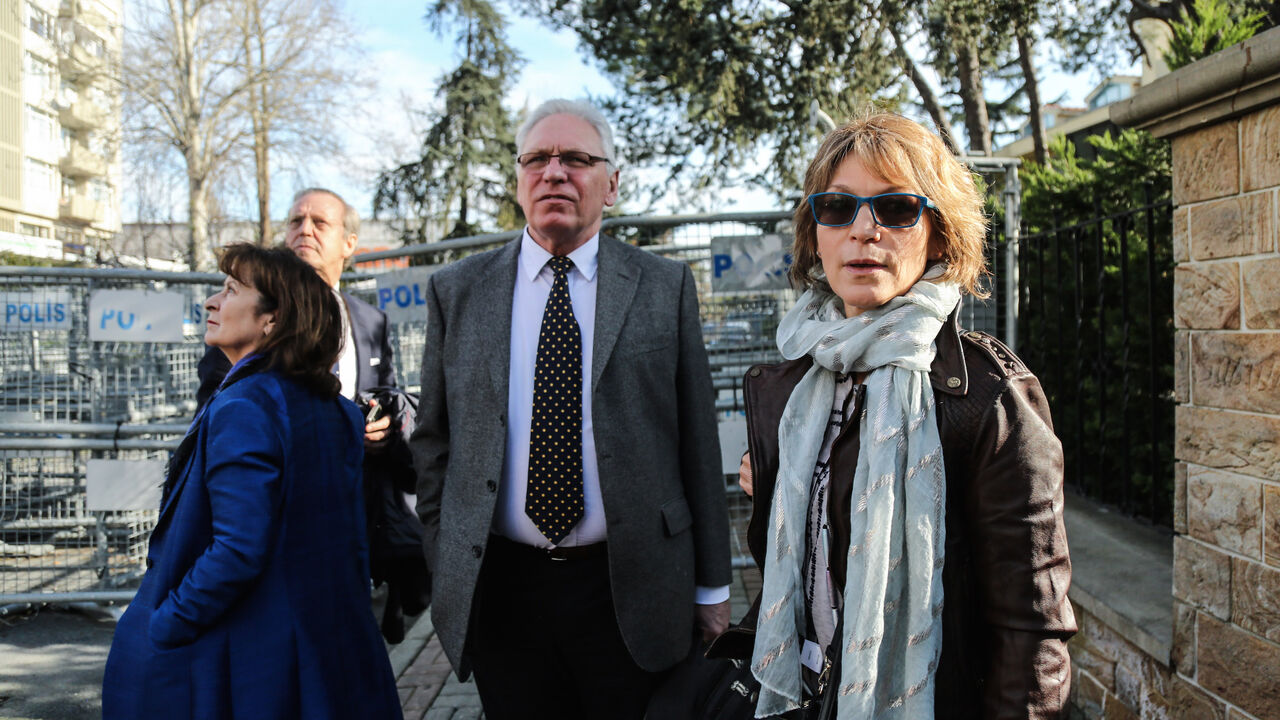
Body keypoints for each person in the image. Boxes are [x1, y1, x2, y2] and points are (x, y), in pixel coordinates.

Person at [732, 113, 1076, 718]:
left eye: (894, 209)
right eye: (837, 207)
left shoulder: (988, 397)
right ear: (816, 234)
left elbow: (1032, 627)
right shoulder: (794, 383)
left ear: (940, 236)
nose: (863, 230)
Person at [411, 98, 732, 720]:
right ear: (518, 181)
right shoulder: (457, 290)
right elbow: (434, 443)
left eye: (577, 159)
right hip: (503, 590)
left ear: (611, 184)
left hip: (631, 588)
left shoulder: (664, 287)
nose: (554, 172)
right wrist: (445, 557)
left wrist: (713, 588)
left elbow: (697, 443)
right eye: (537, 159)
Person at [102, 244, 402, 720]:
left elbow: (237, 551)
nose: (211, 302)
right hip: (328, 652)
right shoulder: (334, 409)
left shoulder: (246, 406)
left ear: (272, 320)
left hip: (256, 663)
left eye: (231, 289)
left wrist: (163, 626)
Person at [196, 188, 427, 643]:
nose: (304, 230)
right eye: (295, 221)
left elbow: (385, 393)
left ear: (349, 243)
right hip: (281, 530)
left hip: (360, 523)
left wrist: (380, 429)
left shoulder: (370, 321)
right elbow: (217, 417)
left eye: (319, 223)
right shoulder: (246, 315)